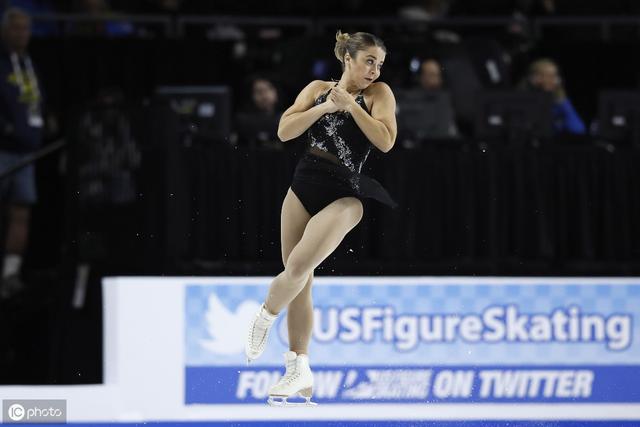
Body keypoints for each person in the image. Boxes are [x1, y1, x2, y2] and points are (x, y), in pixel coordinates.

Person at [244, 30, 398, 406]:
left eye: (379, 64)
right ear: (348, 58)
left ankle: (265, 315)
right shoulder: (317, 87)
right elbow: (284, 131)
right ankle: (298, 368)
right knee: (301, 281)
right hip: (303, 186)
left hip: (346, 193)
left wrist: (352, 106)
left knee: (296, 267)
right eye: (369, 61)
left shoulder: (379, 94)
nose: (375, 70)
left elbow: (386, 140)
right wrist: (327, 106)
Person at [0, 8, 44, 299]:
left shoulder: (29, 64)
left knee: (21, 212)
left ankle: (10, 274)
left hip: (27, 152)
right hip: (2, 150)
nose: (22, 34)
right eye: (16, 29)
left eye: (26, 29)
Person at [520, 58, 586, 135]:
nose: (550, 80)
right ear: (533, 78)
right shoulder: (522, 99)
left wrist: (562, 100)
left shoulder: (559, 103)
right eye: (545, 76)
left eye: (554, 76)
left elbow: (578, 129)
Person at [234, 75, 283, 148]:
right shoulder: (242, 121)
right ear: (251, 96)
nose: (264, 95)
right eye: (258, 91)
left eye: (268, 89)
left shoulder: (285, 119)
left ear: (276, 92)